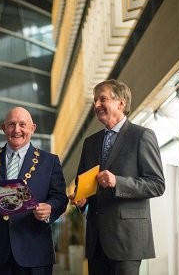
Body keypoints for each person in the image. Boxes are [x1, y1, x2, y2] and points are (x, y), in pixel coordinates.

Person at [70, 79, 165, 275]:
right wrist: (83, 201)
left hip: (127, 240)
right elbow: (84, 185)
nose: (96, 105)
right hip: (96, 242)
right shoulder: (90, 143)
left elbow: (157, 184)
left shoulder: (142, 136)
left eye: (102, 99)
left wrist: (117, 182)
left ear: (121, 103)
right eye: (95, 100)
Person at [0, 106, 68, 275]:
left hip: (35, 252)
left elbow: (60, 198)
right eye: (11, 124)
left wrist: (49, 208)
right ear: (3, 128)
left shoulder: (50, 162)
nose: (17, 130)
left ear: (32, 128)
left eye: (22, 124)